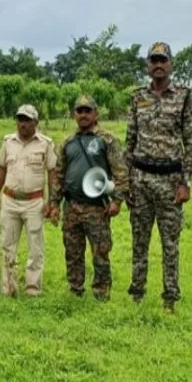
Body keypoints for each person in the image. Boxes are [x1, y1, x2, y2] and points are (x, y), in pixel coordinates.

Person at [125, 42, 192, 313]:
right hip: (141, 179)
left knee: (170, 244)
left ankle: (170, 299)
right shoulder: (137, 97)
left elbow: (191, 141)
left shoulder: (183, 96)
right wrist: (126, 183)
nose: (158, 65)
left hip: (171, 181)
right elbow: (130, 140)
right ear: (147, 65)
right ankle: (137, 294)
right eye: (154, 60)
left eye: (163, 60)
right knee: (139, 241)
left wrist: (186, 182)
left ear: (171, 64)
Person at [47, 95, 129, 301]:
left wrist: (117, 201)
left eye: (87, 111)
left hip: (97, 208)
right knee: (72, 251)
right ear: (74, 114)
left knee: (100, 252)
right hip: (71, 206)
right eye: (79, 111)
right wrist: (54, 203)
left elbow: (120, 172)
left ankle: (101, 292)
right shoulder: (68, 142)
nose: (83, 115)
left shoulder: (107, 140)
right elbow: (58, 174)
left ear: (96, 114)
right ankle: (75, 289)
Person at [0, 104, 57, 297]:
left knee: (35, 247)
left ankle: (33, 288)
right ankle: (8, 286)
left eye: (27, 120)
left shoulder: (45, 144)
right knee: (7, 244)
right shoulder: (8, 142)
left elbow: (52, 173)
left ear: (36, 122)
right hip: (10, 200)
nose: (23, 124)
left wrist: (52, 201)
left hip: (34, 202)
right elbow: (1, 168)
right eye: (20, 119)